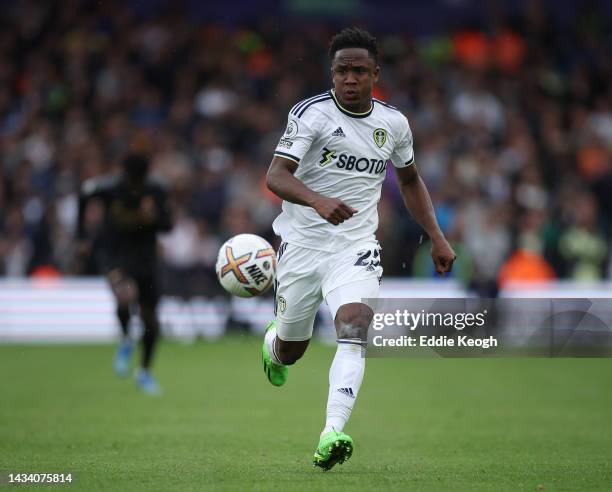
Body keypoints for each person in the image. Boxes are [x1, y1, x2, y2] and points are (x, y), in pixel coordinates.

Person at [261, 28, 456, 470]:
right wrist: (317, 200)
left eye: (359, 71)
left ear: (375, 74)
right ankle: (274, 344)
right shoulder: (310, 114)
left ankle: (332, 431)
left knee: (354, 326)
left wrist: (438, 237)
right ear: (332, 74)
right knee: (293, 349)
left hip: (355, 246)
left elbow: (409, 180)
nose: (349, 79)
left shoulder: (394, 124)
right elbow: (276, 175)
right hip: (303, 245)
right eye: (341, 71)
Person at [77, 153, 172, 395]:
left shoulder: (156, 190)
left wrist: (153, 218)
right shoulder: (109, 188)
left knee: (151, 320)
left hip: (146, 259)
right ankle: (127, 338)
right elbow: (84, 193)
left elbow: (168, 225)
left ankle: (145, 372)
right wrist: (81, 236)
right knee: (124, 294)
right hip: (116, 254)